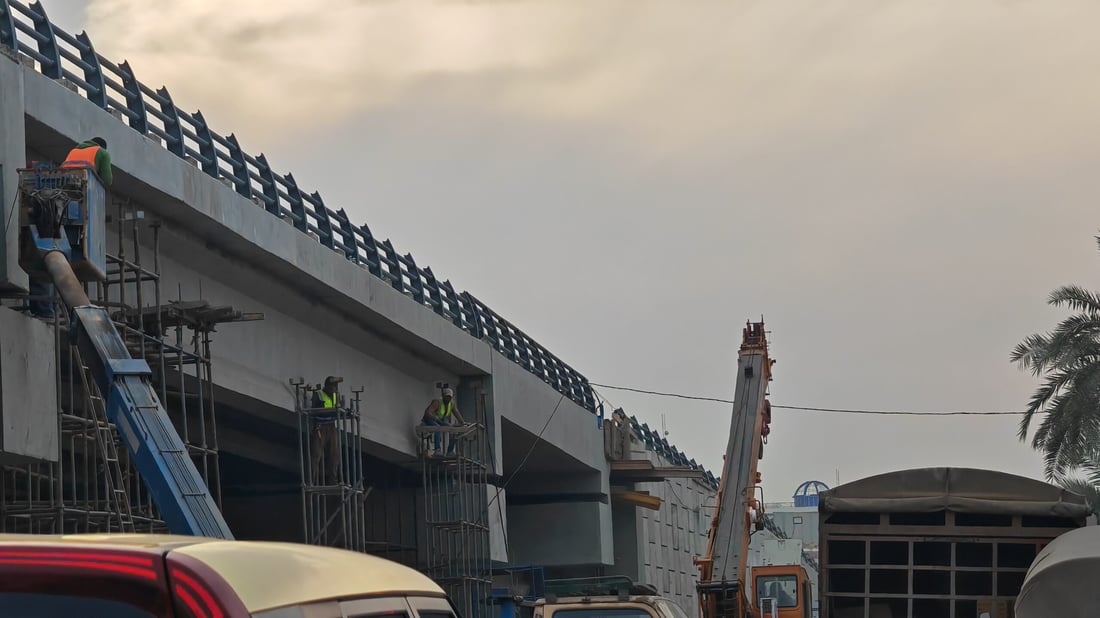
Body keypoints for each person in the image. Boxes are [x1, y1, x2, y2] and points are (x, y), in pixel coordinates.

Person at [309, 376, 342, 485]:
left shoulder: (335, 395)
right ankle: (311, 481)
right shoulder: (318, 394)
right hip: (320, 427)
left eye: (336, 386)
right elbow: (314, 411)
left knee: (334, 454)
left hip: (331, 427)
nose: (335, 388)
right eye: (333, 386)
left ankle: (333, 480)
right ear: (327, 386)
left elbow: (339, 409)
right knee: (316, 454)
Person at [421, 387, 465, 455]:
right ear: (443, 396)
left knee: (453, 429)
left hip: (439, 420)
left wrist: (463, 423)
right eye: (447, 397)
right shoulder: (437, 402)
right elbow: (428, 412)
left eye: (450, 397)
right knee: (437, 428)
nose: (448, 399)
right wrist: (434, 417)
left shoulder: (452, 404)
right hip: (429, 419)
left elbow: (457, 413)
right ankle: (437, 449)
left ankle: (450, 451)